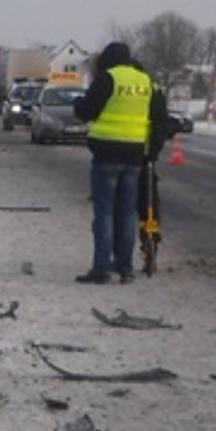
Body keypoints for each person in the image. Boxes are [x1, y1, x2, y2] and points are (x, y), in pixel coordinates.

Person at [72, 41, 171, 284]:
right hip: (135, 156)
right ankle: (125, 266)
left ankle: (101, 269)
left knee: (104, 212)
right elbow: (159, 118)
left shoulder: (108, 78)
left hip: (106, 154)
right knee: (127, 213)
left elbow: (88, 111)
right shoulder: (145, 81)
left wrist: (77, 103)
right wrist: (152, 149)